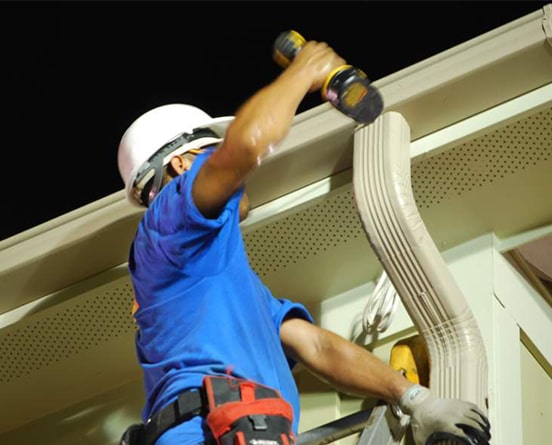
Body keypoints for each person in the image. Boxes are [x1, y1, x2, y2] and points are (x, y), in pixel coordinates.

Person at [117, 38, 491, 445]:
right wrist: (306, 70)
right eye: (211, 150)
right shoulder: (167, 223)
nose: (240, 178)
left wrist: (414, 398)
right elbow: (245, 145)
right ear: (181, 164)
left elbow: (317, 347)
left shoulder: (222, 288)